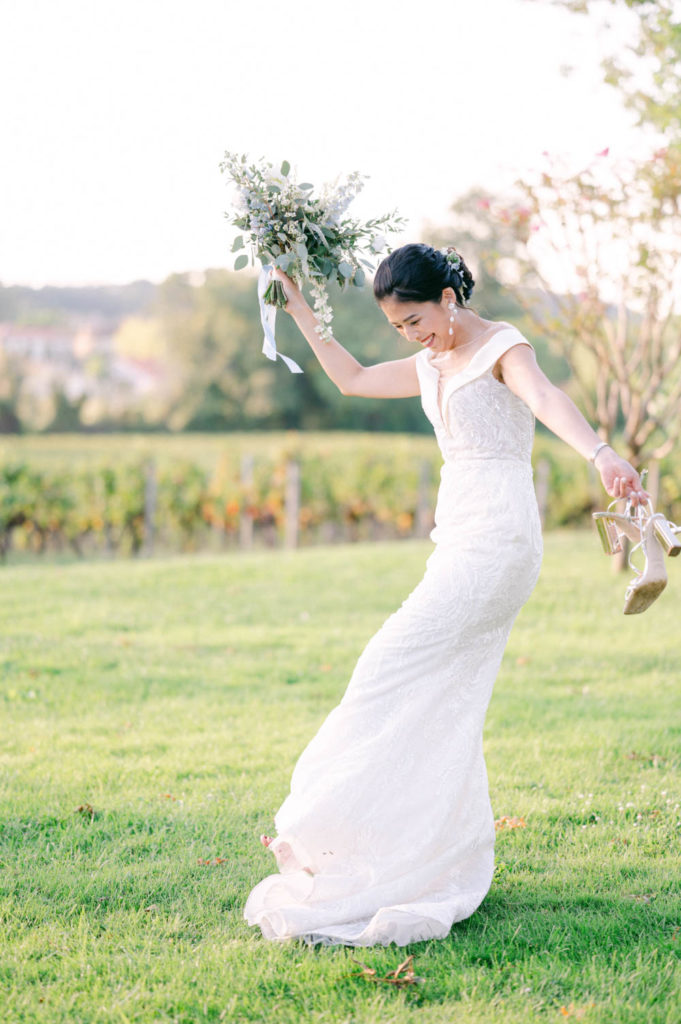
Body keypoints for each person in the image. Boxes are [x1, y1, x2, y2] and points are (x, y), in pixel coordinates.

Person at [243, 243, 647, 947]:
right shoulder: (430, 364)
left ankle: (337, 829)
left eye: (415, 321)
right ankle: (413, 852)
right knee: (438, 696)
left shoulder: (501, 348)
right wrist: (300, 308)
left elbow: (546, 398)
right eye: (398, 327)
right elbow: (352, 379)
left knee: (384, 667)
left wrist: (600, 453)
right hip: (456, 538)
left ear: (448, 299)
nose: (410, 336)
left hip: (498, 541)